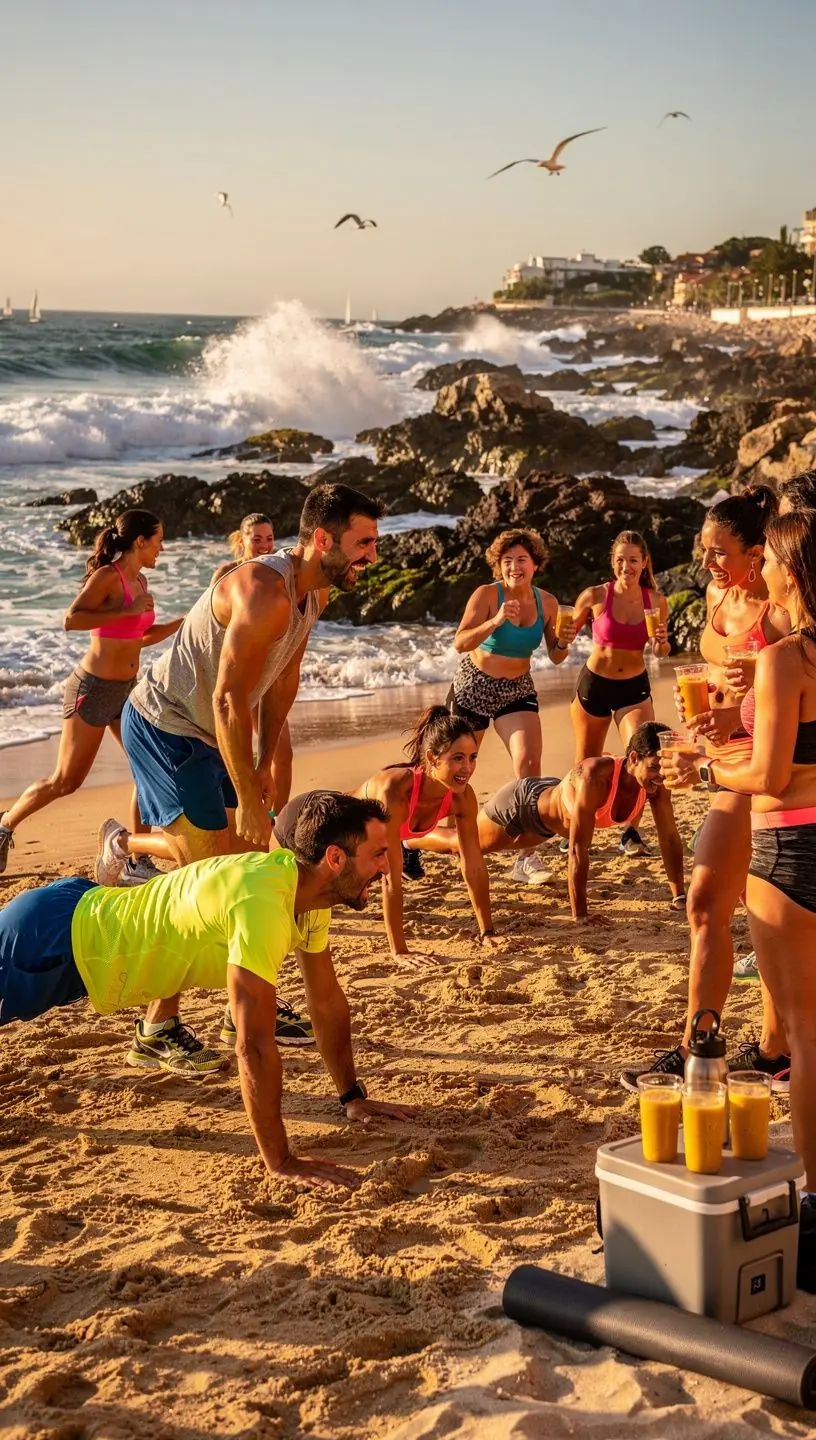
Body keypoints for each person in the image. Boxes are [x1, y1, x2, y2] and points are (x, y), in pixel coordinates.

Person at [98, 482, 381, 1070]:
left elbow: (282, 680)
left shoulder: (313, 594)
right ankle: (155, 1029)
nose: (372, 556)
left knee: (249, 867)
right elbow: (228, 698)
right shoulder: (263, 590)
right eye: (363, 543)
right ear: (322, 539)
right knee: (204, 881)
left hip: (212, 732)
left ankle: (241, 1008)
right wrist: (248, 796)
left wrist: (264, 763)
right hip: (166, 723)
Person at [0, 792, 417, 1189]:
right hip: (54, 941)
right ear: (335, 858)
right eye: (378, 854)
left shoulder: (309, 896)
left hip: (81, 917)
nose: (387, 866)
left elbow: (325, 1001)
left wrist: (351, 1096)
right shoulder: (262, 904)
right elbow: (252, 1046)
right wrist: (280, 1161)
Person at [658, 511, 816, 1290]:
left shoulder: (788, 652)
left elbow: (772, 773)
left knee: (807, 1032)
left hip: (786, 839)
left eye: (773, 563)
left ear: (786, 567)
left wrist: (707, 771)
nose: (765, 574)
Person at [619, 488, 791, 1094]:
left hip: (765, 770)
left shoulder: (781, 611)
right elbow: (722, 688)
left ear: (756, 553)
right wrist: (702, 724)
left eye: (720, 552)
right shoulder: (718, 597)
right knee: (743, 914)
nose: (708, 563)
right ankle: (753, 1048)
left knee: (714, 903)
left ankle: (724, 1047)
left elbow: (787, 699)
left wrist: (732, 718)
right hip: (721, 757)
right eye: (704, 550)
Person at [0, 510, 183, 879]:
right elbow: (73, 619)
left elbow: (137, 636)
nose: (162, 548)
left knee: (145, 768)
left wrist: (182, 624)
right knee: (66, 780)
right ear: (140, 541)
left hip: (127, 691)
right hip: (93, 690)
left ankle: (137, 861)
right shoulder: (108, 578)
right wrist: (126, 610)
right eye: (158, 540)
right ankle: (5, 825)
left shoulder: (141, 582)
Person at [414, 723, 685, 923]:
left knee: (478, 845)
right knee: (461, 845)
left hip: (544, 828)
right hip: (522, 806)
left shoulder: (655, 783)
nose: (660, 775)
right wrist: (580, 914)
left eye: (663, 768)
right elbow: (577, 849)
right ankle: (407, 836)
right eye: (654, 767)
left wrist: (679, 897)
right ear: (634, 758)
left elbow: (670, 838)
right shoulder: (595, 776)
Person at [448, 528, 575, 885]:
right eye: (507, 561)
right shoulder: (487, 595)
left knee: (529, 767)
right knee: (454, 773)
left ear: (535, 565)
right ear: (498, 566)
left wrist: (564, 642)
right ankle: (419, 836)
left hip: (517, 689)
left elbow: (556, 656)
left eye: (521, 560)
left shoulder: (547, 602)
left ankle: (526, 857)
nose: (514, 567)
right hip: (474, 686)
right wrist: (496, 620)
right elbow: (460, 642)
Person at [354, 706, 495, 964]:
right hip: (329, 830)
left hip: (370, 845)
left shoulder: (462, 797)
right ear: (432, 757)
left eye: (473, 757)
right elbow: (391, 878)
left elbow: (473, 864)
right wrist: (399, 951)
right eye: (458, 758)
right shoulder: (396, 791)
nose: (467, 768)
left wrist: (488, 932)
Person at [568, 531, 670, 857]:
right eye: (621, 560)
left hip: (633, 688)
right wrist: (559, 636)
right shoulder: (595, 596)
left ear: (644, 562)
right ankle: (575, 827)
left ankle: (630, 832)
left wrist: (661, 643)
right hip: (594, 685)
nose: (627, 566)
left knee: (641, 757)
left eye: (633, 560)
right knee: (585, 765)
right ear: (613, 562)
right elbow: (561, 642)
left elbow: (662, 650)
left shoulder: (656, 602)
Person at [211, 511, 293, 814]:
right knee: (231, 757)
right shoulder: (226, 573)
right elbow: (210, 628)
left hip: (267, 674)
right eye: (256, 539)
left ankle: (278, 820)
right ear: (242, 539)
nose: (264, 545)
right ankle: (238, 813)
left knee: (282, 753)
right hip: (234, 679)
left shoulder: (278, 577)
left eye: (269, 539)